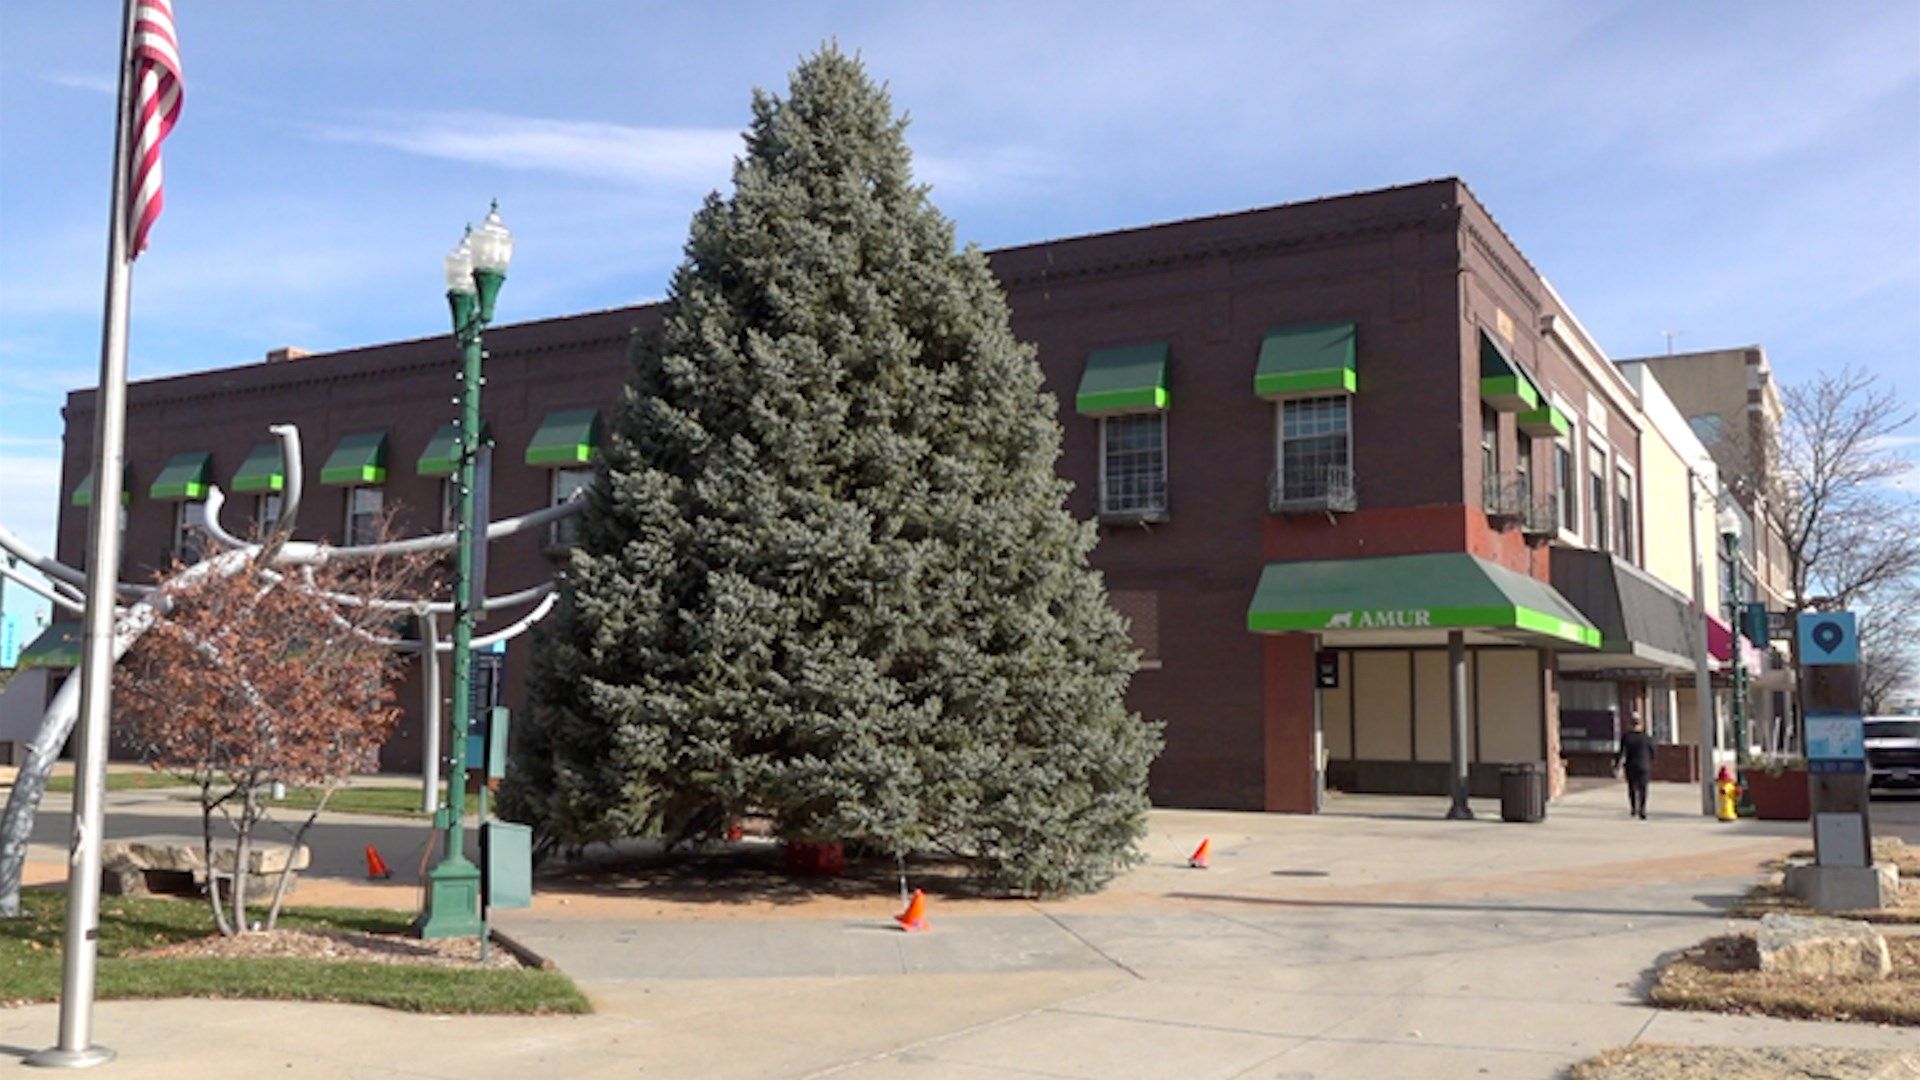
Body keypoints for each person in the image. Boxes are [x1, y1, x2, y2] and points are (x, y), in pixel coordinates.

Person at [1614, 716, 1656, 819]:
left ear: (1630, 724)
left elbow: (1621, 752)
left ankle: (1634, 809)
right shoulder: (1647, 737)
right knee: (1643, 788)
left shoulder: (1627, 737)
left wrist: (1617, 765)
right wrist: (1650, 760)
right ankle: (1642, 810)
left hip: (1631, 765)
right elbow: (1653, 752)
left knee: (1632, 788)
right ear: (1641, 725)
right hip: (1644, 765)